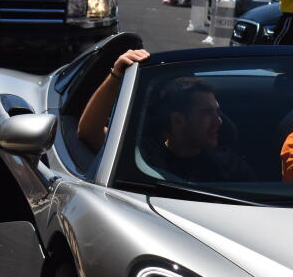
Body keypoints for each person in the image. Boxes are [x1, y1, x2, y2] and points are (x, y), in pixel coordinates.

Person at [77, 50, 255, 182]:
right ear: (178, 121)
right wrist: (116, 75)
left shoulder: (230, 167)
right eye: (206, 113)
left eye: (217, 111)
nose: (218, 121)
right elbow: (89, 132)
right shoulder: (142, 156)